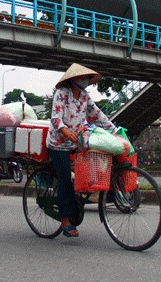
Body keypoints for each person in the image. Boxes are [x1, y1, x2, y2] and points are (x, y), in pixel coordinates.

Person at [47, 63, 117, 238]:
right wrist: (65, 131)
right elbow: (56, 118)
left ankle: (76, 204)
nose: (85, 81)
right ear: (73, 80)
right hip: (58, 144)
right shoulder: (62, 94)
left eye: (87, 78)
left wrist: (115, 131)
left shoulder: (85, 97)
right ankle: (65, 220)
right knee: (65, 180)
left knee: (88, 174)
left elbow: (97, 116)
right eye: (82, 78)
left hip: (76, 142)